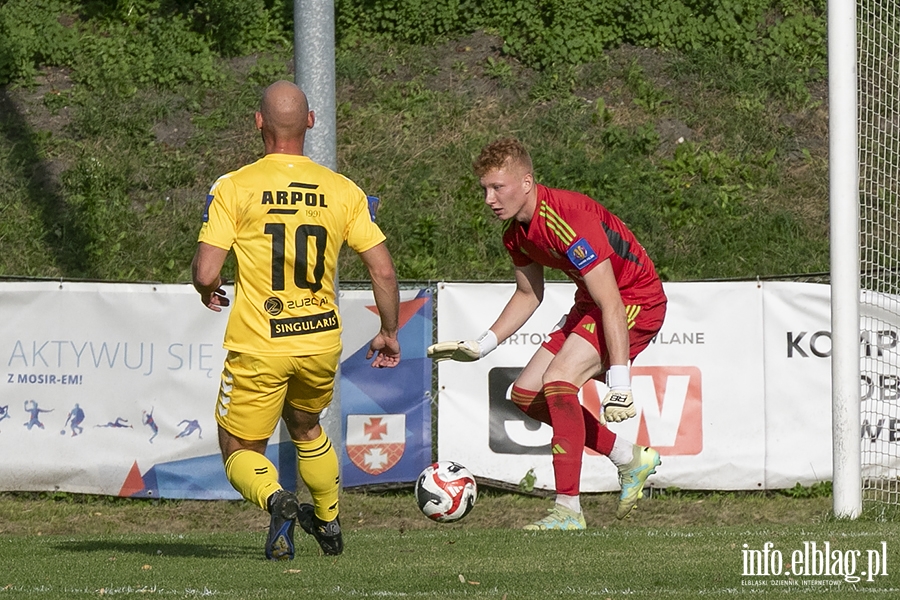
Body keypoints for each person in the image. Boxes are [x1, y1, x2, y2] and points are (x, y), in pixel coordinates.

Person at [192, 80, 401, 560]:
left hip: (260, 341)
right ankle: (328, 521)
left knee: (239, 446)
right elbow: (383, 268)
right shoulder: (343, 190)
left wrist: (207, 290)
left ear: (258, 122)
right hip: (319, 339)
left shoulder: (234, 186)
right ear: (311, 122)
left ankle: (279, 501)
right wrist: (388, 331)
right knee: (307, 427)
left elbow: (207, 271)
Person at [428, 138, 667, 530]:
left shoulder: (567, 217)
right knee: (525, 394)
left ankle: (568, 511)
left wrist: (619, 382)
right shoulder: (515, 234)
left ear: (526, 181)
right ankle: (628, 457)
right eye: (484, 188)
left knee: (558, 382)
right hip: (593, 304)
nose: (489, 198)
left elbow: (612, 303)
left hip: (634, 300)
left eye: (497, 187)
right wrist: (481, 344)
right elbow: (528, 295)